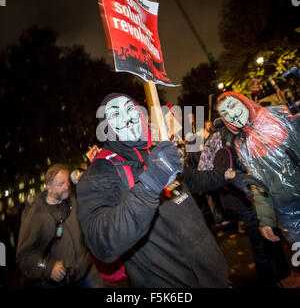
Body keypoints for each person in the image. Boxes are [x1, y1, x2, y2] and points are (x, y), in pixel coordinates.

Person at [76, 92, 267, 288]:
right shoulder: (100, 172)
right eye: (115, 115)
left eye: (130, 109)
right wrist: (150, 184)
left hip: (211, 271)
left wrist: (229, 176)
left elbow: (190, 179)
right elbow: (101, 241)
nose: (127, 118)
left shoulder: (155, 151)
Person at [198, 122, 294, 287]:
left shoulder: (249, 129)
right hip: (241, 196)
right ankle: (271, 281)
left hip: (258, 192)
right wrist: (230, 175)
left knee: (271, 234)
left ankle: (284, 276)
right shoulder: (219, 136)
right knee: (261, 241)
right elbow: (203, 170)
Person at [216, 91, 300, 245]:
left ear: (245, 102)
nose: (231, 114)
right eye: (224, 113)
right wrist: (266, 220)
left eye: (233, 105)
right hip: (287, 209)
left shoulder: (280, 116)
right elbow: (258, 184)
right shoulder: (242, 144)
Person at [16, 163, 104, 288]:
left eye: (67, 182)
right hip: (60, 284)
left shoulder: (72, 200)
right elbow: (25, 258)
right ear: (48, 187)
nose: (66, 186)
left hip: (87, 272)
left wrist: (84, 176)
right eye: (60, 184)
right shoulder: (35, 216)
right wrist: (48, 267)